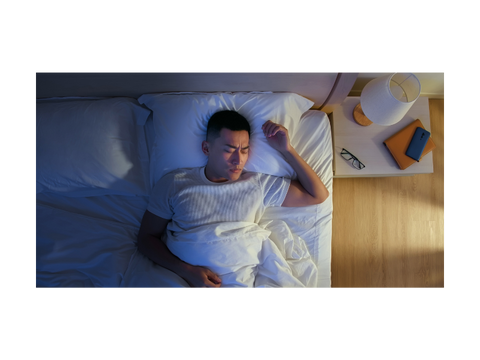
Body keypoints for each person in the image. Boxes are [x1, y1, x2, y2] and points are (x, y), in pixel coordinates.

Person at [137, 110, 329, 290]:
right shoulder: (175, 183)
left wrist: (287, 150)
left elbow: (317, 195)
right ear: (206, 148)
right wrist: (187, 271)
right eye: (229, 150)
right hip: (184, 279)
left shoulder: (257, 184)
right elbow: (146, 239)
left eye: (244, 150)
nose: (238, 160)